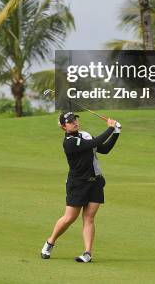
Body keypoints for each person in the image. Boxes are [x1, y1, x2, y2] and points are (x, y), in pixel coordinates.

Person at [41, 111, 121, 263]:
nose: (75, 122)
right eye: (71, 121)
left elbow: (103, 149)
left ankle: (87, 253)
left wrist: (116, 132)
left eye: (75, 119)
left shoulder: (84, 134)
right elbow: (93, 144)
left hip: (95, 182)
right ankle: (50, 242)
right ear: (64, 127)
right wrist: (110, 128)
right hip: (78, 183)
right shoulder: (69, 142)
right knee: (70, 218)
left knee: (89, 218)